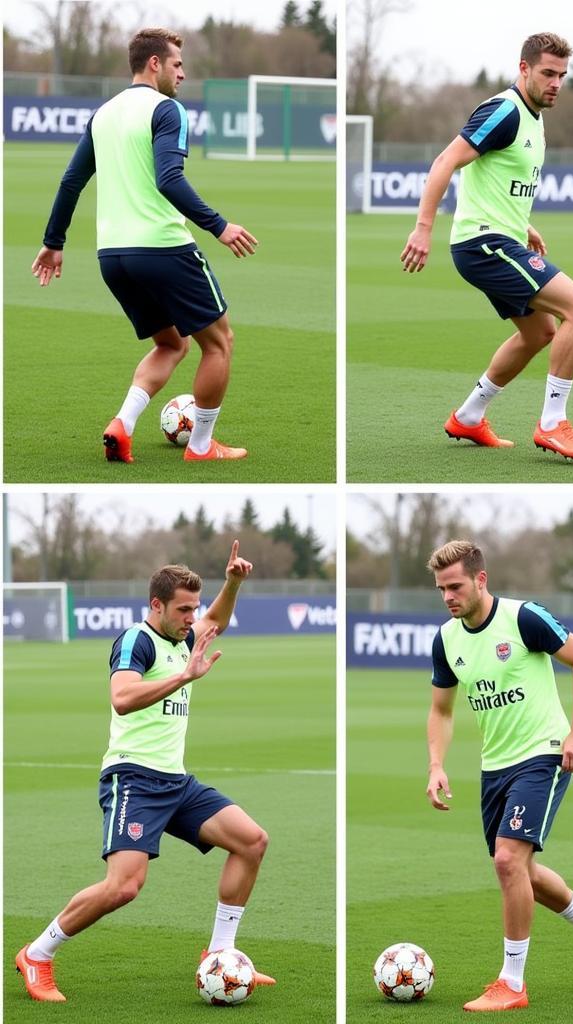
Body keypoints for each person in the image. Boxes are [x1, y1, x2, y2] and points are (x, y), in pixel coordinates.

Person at [15, 541, 276, 1003]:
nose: (193, 618)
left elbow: (216, 620)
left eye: (194, 608)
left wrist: (233, 583)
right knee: (124, 886)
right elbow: (122, 697)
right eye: (183, 609)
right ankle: (37, 955)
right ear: (156, 605)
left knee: (252, 841)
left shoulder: (185, 635)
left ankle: (218, 954)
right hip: (133, 777)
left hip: (175, 779)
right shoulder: (138, 639)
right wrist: (182, 678)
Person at [31, 27, 257, 464]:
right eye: (177, 64)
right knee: (219, 342)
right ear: (155, 63)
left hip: (112, 257)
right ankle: (201, 446)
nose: (183, 74)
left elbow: (71, 181)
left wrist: (53, 243)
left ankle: (123, 424)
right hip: (163, 248)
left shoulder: (103, 114)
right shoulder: (167, 110)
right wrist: (219, 225)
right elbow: (169, 179)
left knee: (172, 344)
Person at [425, 540, 573, 1011]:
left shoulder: (523, 618)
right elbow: (441, 710)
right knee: (522, 870)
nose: (449, 596)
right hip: (495, 766)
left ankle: (512, 983)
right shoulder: (447, 639)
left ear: (480, 579)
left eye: (455, 586)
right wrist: (435, 762)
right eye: (441, 589)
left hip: (544, 754)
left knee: (508, 862)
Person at [401, 33, 573, 461]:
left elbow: (496, 179)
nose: (556, 83)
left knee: (540, 332)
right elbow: (445, 162)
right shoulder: (504, 110)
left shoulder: (534, 116)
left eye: (563, 75)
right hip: (483, 244)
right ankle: (552, 424)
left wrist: (523, 225)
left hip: (499, 238)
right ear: (524, 68)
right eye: (548, 73)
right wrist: (423, 228)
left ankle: (469, 417)